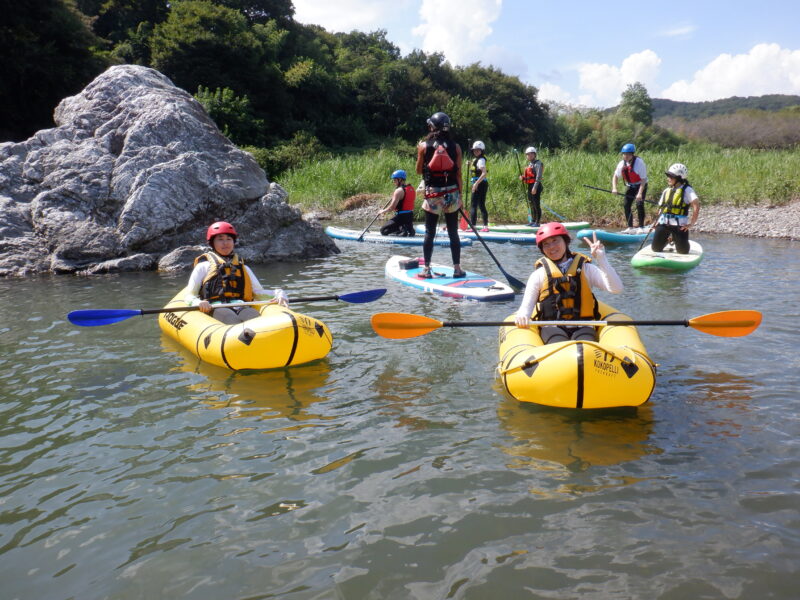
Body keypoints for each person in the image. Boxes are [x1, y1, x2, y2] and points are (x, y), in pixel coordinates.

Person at [514, 222, 623, 344]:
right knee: (558, 344)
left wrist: (601, 259)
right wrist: (522, 316)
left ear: (565, 241)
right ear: (542, 249)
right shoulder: (538, 275)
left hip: (583, 326)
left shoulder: (586, 268)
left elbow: (616, 288)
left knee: (585, 348)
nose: (551, 247)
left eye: (555, 241)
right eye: (546, 244)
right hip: (551, 328)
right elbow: (525, 308)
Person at [185, 221, 289, 325]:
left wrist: (278, 293)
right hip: (215, 307)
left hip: (241, 306)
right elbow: (189, 296)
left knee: (254, 317)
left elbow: (258, 292)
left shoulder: (244, 268)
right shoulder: (203, 267)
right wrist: (199, 303)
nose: (225, 243)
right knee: (231, 319)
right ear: (212, 243)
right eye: (220, 239)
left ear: (233, 242)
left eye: (229, 239)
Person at [416, 111, 465, 278]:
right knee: (453, 232)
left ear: (432, 127)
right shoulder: (456, 147)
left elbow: (417, 170)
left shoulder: (423, 146)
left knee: (430, 232)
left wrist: (420, 154)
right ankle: (457, 269)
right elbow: (458, 174)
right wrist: (461, 198)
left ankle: (426, 269)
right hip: (452, 193)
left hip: (432, 194)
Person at [651, 163, 700, 254]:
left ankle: (675, 238)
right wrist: (656, 222)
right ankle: (668, 239)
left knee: (683, 251)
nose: (668, 178)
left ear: (679, 178)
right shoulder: (667, 190)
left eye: (671, 176)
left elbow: (696, 205)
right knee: (655, 248)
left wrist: (691, 224)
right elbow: (660, 209)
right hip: (664, 223)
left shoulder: (687, 190)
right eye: (668, 176)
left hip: (679, 226)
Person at [612, 143, 647, 229]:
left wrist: (639, 194)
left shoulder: (639, 163)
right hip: (631, 186)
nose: (626, 156)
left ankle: (641, 227)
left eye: (628, 154)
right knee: (626, 205)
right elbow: (615, 176)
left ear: (632, 154)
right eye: (624, 154)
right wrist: (614, 188)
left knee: (639, 204)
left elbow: (643, 180)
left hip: (641, 185)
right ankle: (630, 227)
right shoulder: (621, 164)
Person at [379, 169, 416, 237]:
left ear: (400, 179)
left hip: (401, 217)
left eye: (395, 180)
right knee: (404, 225)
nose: (394, 182)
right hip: (410, 216)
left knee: (383, 231)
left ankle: (402, 230)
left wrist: (383, 211)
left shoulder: (398, 191)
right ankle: (408, 229)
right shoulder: (411, 188)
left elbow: (392, 208)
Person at [520, 146, 544, 226]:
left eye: (530, 154)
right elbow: (529, 176)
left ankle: (537, 222)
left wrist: (535, 187)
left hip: (536, 186)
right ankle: (533, 221)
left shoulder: (538, 163)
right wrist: (523, 178)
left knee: (536, 204)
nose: (529, 156)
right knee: (531, 203)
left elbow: (538, 177)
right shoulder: (530, 164)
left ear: (534, 155)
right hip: (530, 185)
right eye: (527, 155)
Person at [469, 140, 490, 231]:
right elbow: (477, 169)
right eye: (474, 150)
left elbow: (484, 173)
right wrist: (470, 164)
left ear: (482, 151)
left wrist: (476, 184)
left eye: (478, 150)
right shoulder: (480, 159)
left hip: (479, 184)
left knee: (474, 205)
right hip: (483, 183)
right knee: (481, 204)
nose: (476, 152)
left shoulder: (481, 160)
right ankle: (485, 226)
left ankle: (473, 226)